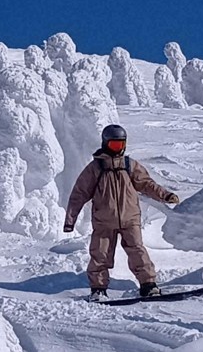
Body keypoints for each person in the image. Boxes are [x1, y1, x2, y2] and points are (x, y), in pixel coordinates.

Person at [65, 124, 180, 301]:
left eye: (120, 145)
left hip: (130, 218)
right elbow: (79, 194)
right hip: (104, 220)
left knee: (137, 251)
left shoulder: (130, 165)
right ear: (105, 144)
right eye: (113, 145)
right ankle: (98, 289)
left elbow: (147, 184)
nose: (117, 149)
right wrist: (70, 221)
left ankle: (148, 285)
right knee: (100, 255)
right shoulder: (95, 168)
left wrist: (165, 195)